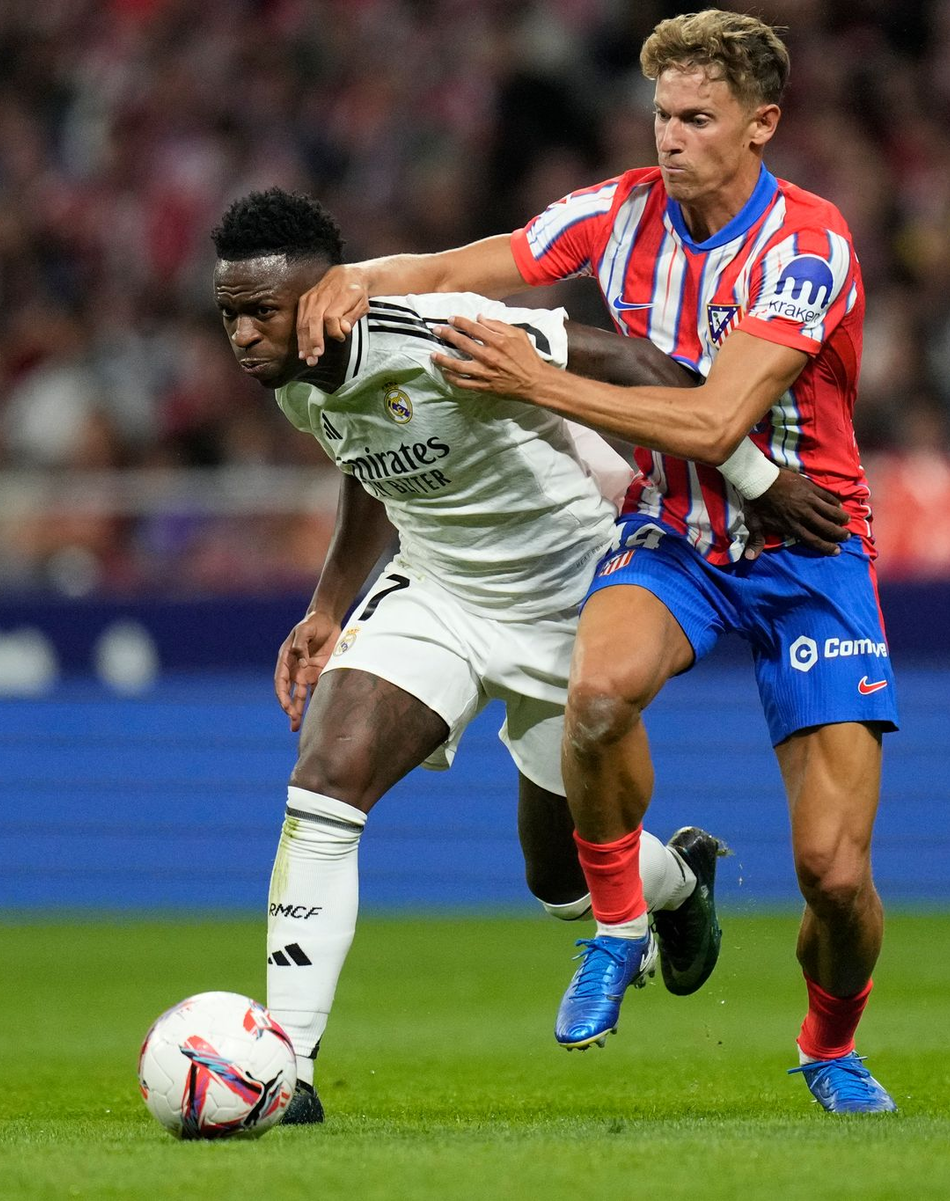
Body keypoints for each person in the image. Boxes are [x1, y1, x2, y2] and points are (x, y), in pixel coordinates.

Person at [296, 9, 899, 1114]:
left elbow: (716, 421)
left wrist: (535, 378)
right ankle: (619, 927)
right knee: (597, 693)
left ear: (762, 124)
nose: (671, 137)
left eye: (699, 118)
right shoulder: (615, 212)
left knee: (836, 875)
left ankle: (828, 1043)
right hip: (676, 536)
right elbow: (452, 263)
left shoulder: (808, 248)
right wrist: (348, 280)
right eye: (662, 112)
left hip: (809, 551)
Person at [211, 187, 735, 1125]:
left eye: (261, 312)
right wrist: (331, 605)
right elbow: (368, 458)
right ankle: (285, 1068)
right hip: (441, 588)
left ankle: (678, 881)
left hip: (571, 592)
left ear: (324, 295)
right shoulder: (295, 382)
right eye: (230, 316)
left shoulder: (445, 330)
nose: (244, 335)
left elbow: (628, 356)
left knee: (563, 884)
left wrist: (742, 476)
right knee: (325, 776)